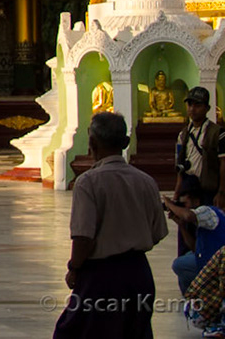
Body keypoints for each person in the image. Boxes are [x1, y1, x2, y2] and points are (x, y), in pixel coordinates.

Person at [55, 111, 167, 337]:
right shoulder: (146, 181)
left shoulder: (88, 182)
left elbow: (83, 237)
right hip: (139, 274)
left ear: (92, 143)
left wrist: (74, 268)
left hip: (101, 277)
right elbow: (157, 232)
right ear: (125, 142)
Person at [177, 88, 221, 255]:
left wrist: (221, 192)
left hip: (208, 189)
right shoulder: (184, 134)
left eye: (197, 105)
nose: (192, 109)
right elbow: (180, 166)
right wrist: (177, 194)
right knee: (186, 231)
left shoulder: (217, 133)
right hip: (189, 189)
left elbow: (223, 164)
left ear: (207, 108)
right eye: (190, 105)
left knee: (206, 234)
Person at [165, 192, 225, 295]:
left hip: (216, 263)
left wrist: (169, 204)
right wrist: (181, 225)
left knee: (179, 264)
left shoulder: (209, 211)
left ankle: (195, 294)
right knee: (187, 257)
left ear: (196, 201)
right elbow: (195, 248)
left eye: (184, 204)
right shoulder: (209, 221)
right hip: (213, 259)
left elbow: (188, 215)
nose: (183, 208)